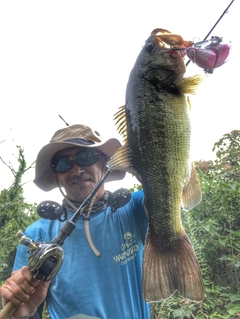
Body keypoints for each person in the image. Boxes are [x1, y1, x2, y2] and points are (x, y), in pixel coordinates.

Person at [0, 124, 150, 319]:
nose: (77, 169)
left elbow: (170, 181)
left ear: (105, 162)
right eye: (63, 164)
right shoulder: (36, 235)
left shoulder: (135, 208)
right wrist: (23, 315)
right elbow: (27, 310)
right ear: (56, 175)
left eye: (85, 157)